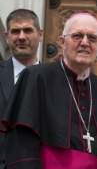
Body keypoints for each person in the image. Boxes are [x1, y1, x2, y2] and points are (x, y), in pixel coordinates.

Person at [0, 13, 97, 169]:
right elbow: (22, 145)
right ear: (62, 42)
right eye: (77, 36)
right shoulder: (36, 78)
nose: (85, 43)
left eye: (92, 38)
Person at [0, 9, 43, 169]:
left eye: (28, 30)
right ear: (7, 36)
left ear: (40, 34)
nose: (22, 37)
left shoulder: (55, 81)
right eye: (15, 31)